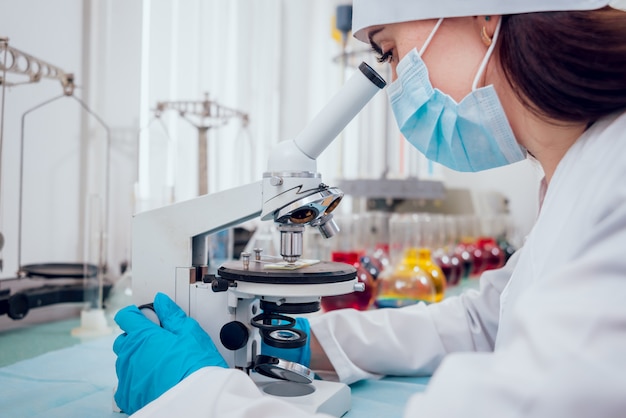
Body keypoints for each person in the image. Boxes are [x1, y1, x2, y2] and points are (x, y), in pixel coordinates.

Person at [113, 1, 626, 416]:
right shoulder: (583, 168)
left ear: (488, 17)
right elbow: (488, 323)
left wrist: (199, 398)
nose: (398, 84)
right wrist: (305, 344)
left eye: (392, 51)